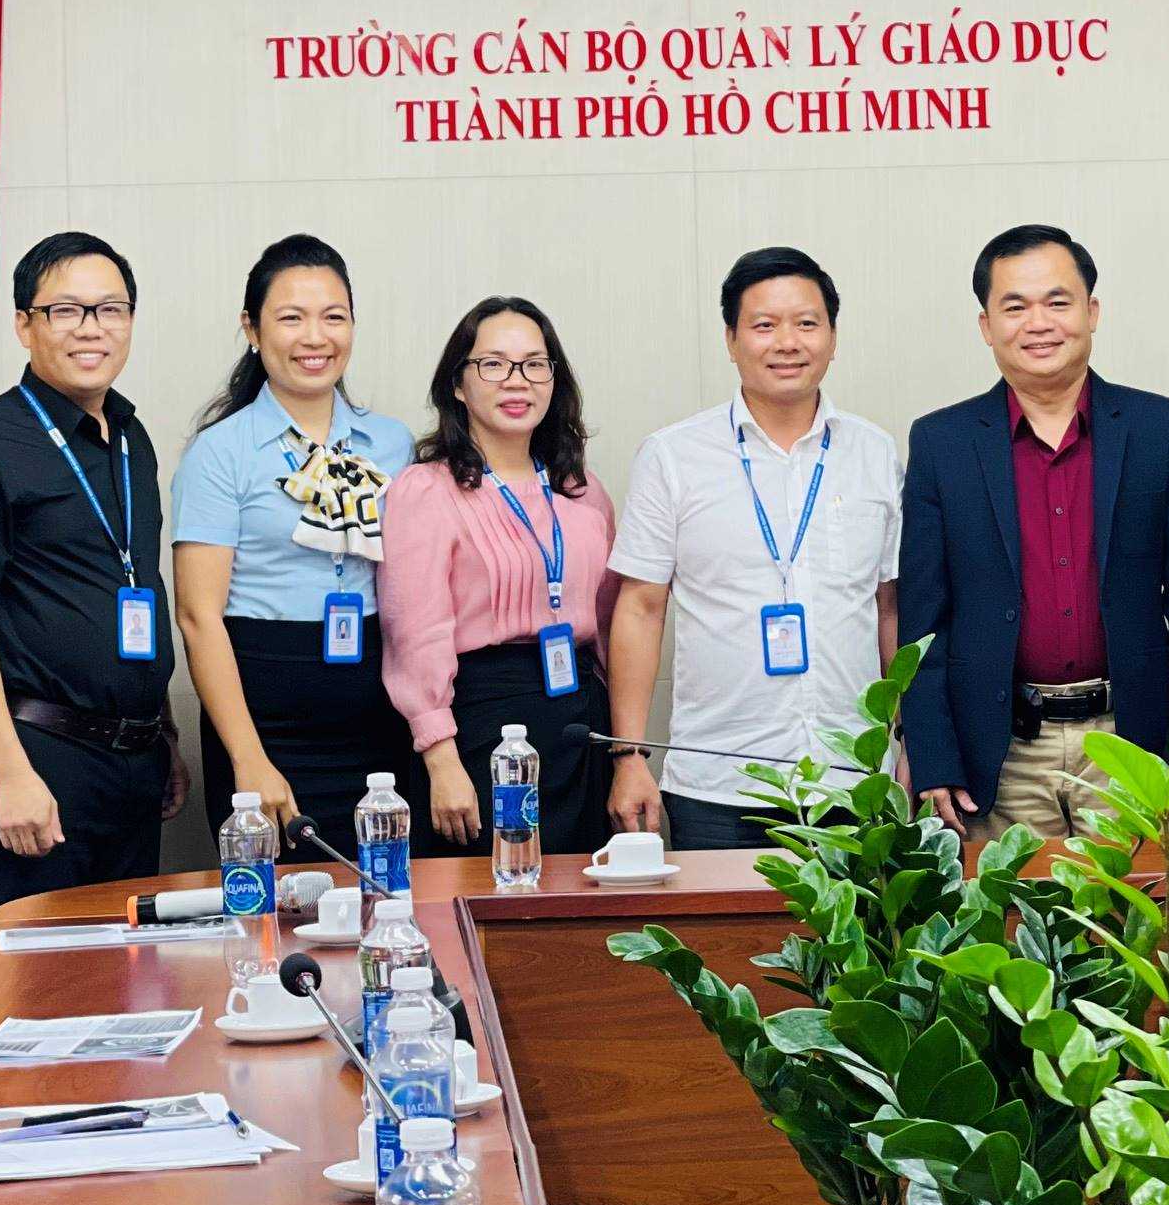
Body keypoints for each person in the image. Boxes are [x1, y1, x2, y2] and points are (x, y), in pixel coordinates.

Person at [898, 224, 1169, 838]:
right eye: (1015, 307)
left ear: (1091, 312)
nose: (1039, 323)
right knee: (1011, 902)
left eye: (1057, 302)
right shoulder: (942, 444)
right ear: (986, 325)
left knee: (1140, 903)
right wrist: (934, 755)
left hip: (1134, 747)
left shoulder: (1157, 428)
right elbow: (923, 622)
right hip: (1000, 756)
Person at [0, 232, 188, 953]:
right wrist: (12, 774)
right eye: (66, 310)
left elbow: (133, 588)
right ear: (24, 324)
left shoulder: (131, 439)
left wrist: (160, 730)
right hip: (39, 759)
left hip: (133, 766)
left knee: (129, 978)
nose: (91, 328)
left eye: (110, 309)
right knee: (30, 981)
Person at [605, 248, 902, 849]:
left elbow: (888, 608)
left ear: (833, 337)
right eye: (764, 325)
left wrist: (905, 743)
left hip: (855, 780)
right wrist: (629, 756)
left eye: (807, 323)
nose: (787, 342)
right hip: (718, 782)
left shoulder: (875, 453)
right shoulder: (673, 456)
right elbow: (640, 608)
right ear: (731, 339)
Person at [170, 234, 419, 856]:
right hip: (266, 719)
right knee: (279, 905)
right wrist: (248, 758)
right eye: (291, 318)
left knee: (387, 893)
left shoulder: (392, 444)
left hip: (380, 719)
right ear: (252, 330)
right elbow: (198, 617)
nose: (316, 337)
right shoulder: (219, 453)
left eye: (334, 317)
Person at [380, 297, 617, 858]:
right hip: (481, 723)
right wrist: (441, 756)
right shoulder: (425, 489)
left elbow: (613, 620)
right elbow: (414, 633)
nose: (517, 380)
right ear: (458, 385)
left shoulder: (582, 491)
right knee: (490, 893)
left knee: (583, 896)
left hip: (580, 721)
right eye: (493, 364)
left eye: (535, 364)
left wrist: (623, 749)